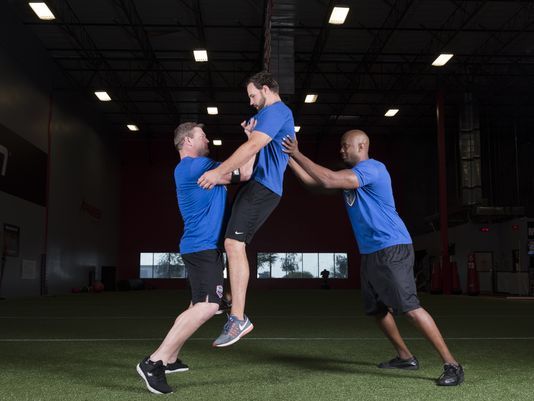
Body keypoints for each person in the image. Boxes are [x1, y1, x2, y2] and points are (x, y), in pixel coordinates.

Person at [282, 130, 464, 386]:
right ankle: (405, 356)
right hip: (370, 252)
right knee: (377, 310)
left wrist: (297, 152)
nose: (341, 151)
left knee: (409, 309)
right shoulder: (351, 176)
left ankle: (452, 365)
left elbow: (329, 178)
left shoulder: (373, 168)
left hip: (392, 247)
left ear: (362, 146)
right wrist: (287, 159)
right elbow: (317, 183)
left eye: (346, 146)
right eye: (341, 146)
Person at [136, 122, 255, 394]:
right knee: (208, 306)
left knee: (196, 305)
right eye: (203, 136)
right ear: (188, 141)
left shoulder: (195, 168)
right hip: (201, 248)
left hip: (200, 248)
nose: (208, 139)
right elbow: (246, 171)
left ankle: (171, 358)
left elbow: (239, 172)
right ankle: (154, 362)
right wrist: (253, 140)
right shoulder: (196, 166)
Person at [197, 71, 295, 347]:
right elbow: (255, 149)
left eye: (253, 95)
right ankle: (225, 298)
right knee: (224, 241)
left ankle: (238, 318)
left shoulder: (276, 110)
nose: (251, 102)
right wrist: (251, 134)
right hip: (255, 183)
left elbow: (253, 146)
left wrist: (219, 173)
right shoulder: (266, 116)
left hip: (265, 188)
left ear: (266, 89)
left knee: (233, 242)